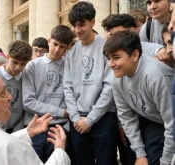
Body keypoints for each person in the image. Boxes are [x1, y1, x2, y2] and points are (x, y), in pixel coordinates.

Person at [0, 71, 71, 165]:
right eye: (2, 94)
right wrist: (60, 150)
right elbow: (3, 147)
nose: (10, 97)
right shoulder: (7, 146)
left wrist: (27, 132)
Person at [103, 30, 174, 165]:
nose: (110, 64)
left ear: (135, 55)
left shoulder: (155, 76)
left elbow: (172, 123)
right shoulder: (117, 77)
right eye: (108, 58)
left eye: (116, 57)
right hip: (155, 122)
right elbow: (126, 116)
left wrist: (165, 162)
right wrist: (140, 154)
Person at [64, 2, 118, 165]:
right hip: (77, 119)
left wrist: (90, 119)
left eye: (81, 24)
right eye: (74, 25)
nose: (77, 30)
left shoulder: (106, 46)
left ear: (93, 22)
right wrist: (75, 117)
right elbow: (67, 87)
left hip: (103, 117)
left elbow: (109, 87)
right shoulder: (71, 52)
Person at [22, 25, 73, 163]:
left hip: (60, 127)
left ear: (67, 47)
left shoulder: (69, 66)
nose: (57, 50)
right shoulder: (32, 66)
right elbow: (28, 102)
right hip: (36, 126)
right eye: (55, 44)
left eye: (62, 47)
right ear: (49, 41)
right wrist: (62, 112)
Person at [0, 40, 32, 133]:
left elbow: (27, 107)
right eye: (15, 62)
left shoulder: (27, 77)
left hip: (18, 129)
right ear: (8, 57)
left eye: (23, 64)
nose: (18, 67)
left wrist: (18, 130)